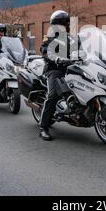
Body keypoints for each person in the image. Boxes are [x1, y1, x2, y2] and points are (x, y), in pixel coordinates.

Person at [39, 10, 76, 141]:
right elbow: (45, 51)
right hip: (53, 70)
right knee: (53, 95)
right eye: (62, 24)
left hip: (70, 69)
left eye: (66, 24)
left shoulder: (71, 38)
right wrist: (56, 59)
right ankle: (43, 127)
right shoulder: (49, 38)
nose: (65, 27)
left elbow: (84, 50)